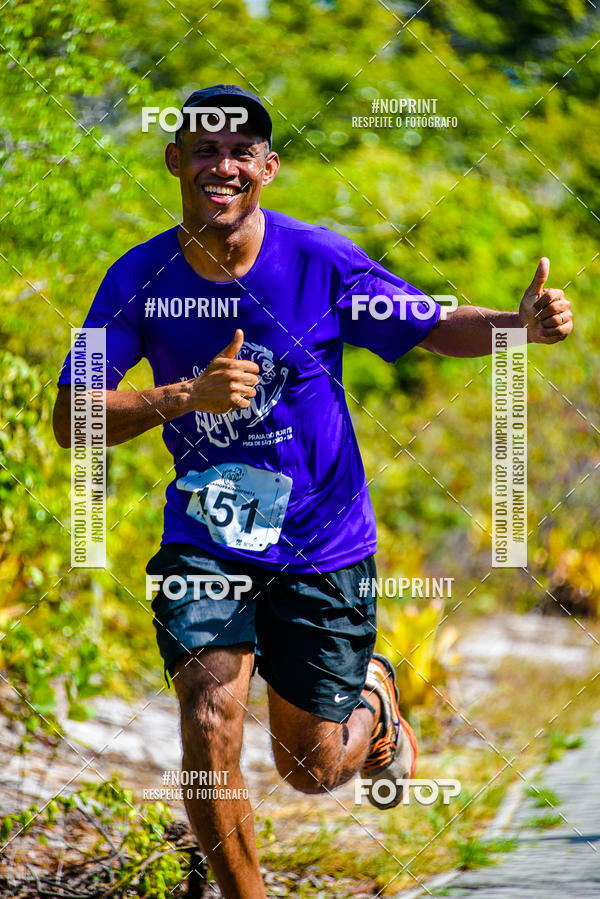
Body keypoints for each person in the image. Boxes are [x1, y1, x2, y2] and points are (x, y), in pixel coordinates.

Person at [53, 84, 573, 898]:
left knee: (311, 767)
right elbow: (71, 416)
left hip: (323, 543)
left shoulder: (319, 260)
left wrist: (518, 327)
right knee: (208, 714)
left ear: (267, 167)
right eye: (202, 147)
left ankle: (372, 695)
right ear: (173, 160)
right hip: (209, 535)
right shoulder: (136, 279)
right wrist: (184, 396)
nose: (220, 164)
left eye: (239, 150)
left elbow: (429, 324)